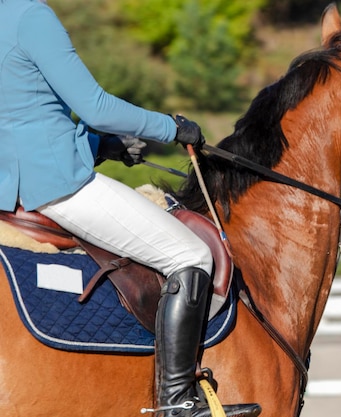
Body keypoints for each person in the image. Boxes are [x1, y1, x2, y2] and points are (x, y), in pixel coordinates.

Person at [0, 1, 260, 416]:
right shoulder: (31, 16)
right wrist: (172, 128)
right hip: (54, 185)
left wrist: (101, 145)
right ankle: (178, 400)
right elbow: (96, 107)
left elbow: (23, 115)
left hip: (9, 186)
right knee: (191, 255)